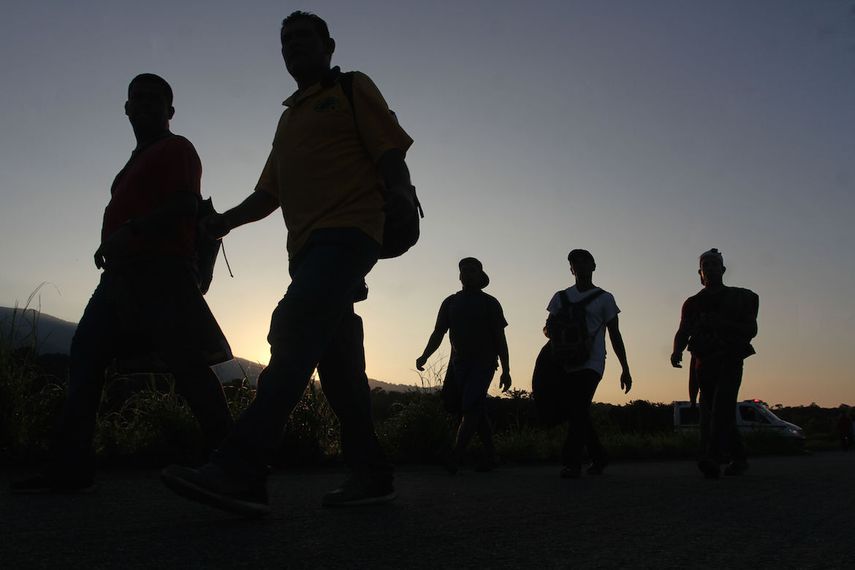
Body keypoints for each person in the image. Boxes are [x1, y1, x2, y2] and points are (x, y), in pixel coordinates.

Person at [161, 11, 415, 516]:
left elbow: (389, 149)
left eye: (304, 37)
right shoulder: (288, 118)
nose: (293, 45)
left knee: (293, 324)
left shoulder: (350, 88)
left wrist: (403, 194)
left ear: (329, 45)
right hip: (307, 252)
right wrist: (223, 222)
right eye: (286, 41)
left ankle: (241, 470)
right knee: (340, 368)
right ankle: (372, 474)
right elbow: (267, 193)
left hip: (349, 234)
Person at [11, 74, 234, 493]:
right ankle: (70, 467)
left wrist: (127, 232)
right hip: (119, 278)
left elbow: (186, 204)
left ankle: (235, 462)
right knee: (86, 356)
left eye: (156, 99)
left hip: (162, 273)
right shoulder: (130, 166)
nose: (146, 104)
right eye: (138, 98)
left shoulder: (177, 148)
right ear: (126, 108)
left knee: (187, 367)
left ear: (170, 111)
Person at [416, 258, 512, 472]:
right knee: (474, 406)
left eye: (472, 270)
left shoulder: (490, 303)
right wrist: (424, 356)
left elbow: (500, 337)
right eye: (464, 270)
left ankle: (456, 455)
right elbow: (438, 332)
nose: (467, 273)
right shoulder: (450, 302)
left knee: (470, 405)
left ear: (480, 276)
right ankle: (492, 457)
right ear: (459, 276)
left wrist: (506, 369)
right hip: (458, 364)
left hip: (484, 362)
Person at [542, 249, 632, 478]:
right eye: (575, 263)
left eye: (585, 262)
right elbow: (547, 327)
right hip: (563, 361)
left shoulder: (605, 298)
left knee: (578, 407)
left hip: (591, 362)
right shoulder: (560, 297)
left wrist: (625, 368)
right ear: (571, 269)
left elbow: (615, 334)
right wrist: (557, 332)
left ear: (594, 266)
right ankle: (599, 457)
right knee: (577, 410)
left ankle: (572, 462)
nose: (580, 266)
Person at [671, 248, 759, 478]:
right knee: (716, 411)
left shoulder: (740, 298)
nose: (710, 268)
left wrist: (722, 324)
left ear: (723, 269)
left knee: (722, 405)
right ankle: (739, 458)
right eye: (705, 265)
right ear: (700, 272)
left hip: (730, 358)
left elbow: (751, 329)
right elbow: (683, 330)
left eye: (714, 264)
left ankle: (712, 457)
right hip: (703, 363)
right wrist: (676, 350)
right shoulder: (692, 303)